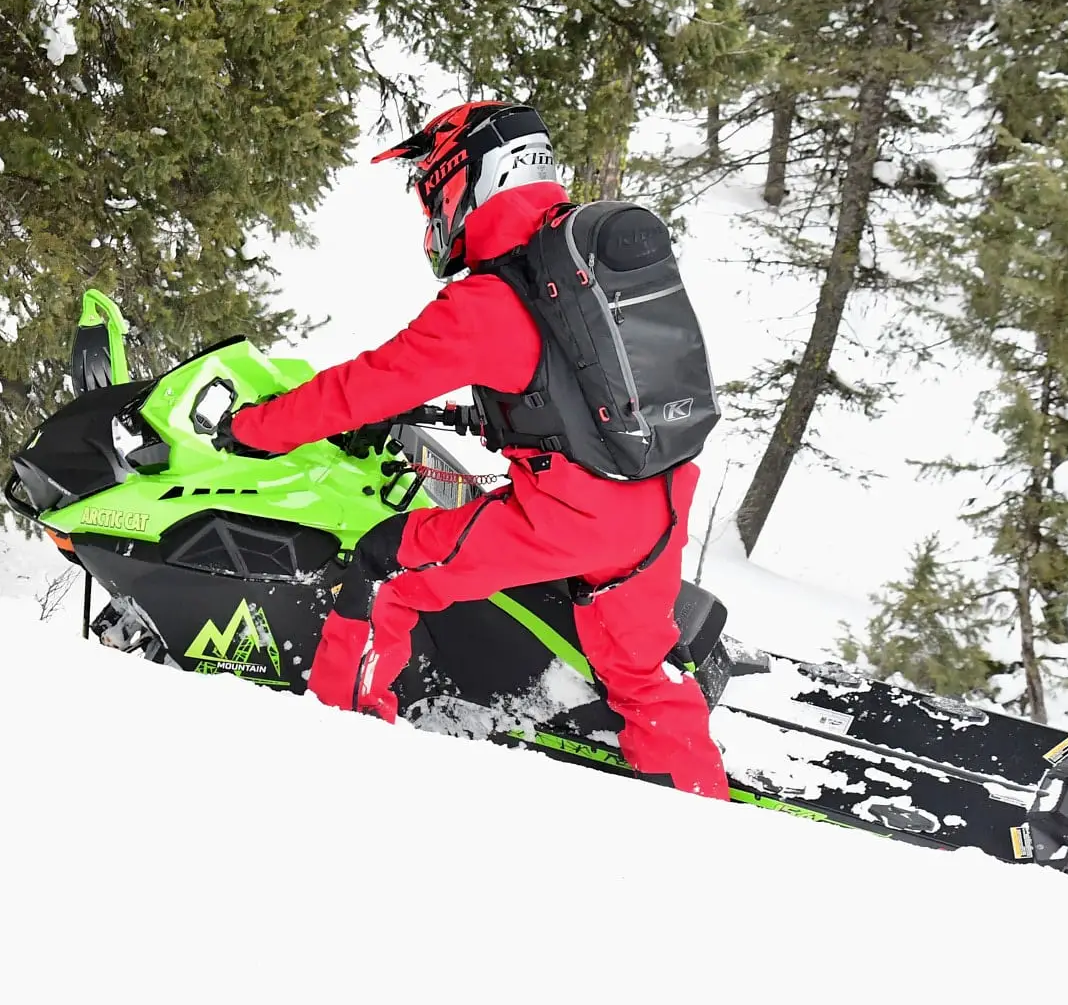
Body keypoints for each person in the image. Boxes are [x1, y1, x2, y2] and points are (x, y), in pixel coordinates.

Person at [217, 101, 728, 799]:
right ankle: (707, 817)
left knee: (384, 573)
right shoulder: (573, 268)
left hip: (569, 521)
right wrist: (460, 414)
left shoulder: (490, 300)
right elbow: (569, 392)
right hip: (658, 502)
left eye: (435, 187)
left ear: (473, 177)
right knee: (641, 673)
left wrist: (252, 430)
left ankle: (334, 753)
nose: (433, 207)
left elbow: (365, 385)